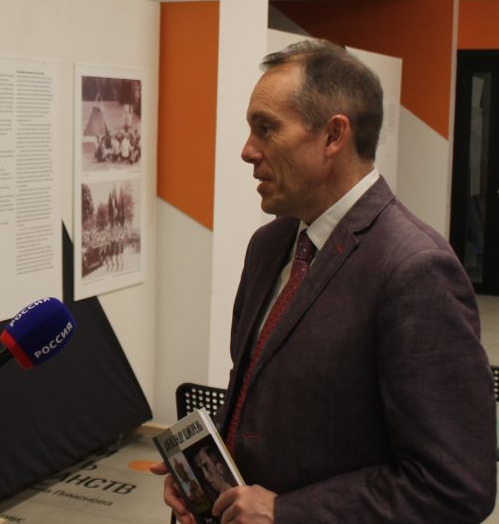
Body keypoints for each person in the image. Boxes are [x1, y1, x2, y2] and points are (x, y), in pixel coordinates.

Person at [151, 39, 496, 523]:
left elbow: (455, 486)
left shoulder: (415, 269)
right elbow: (254, 395)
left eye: (266, 128)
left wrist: (288, 513)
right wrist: (204, 479)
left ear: (333, 136)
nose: (247, 151)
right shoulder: (270, 245)